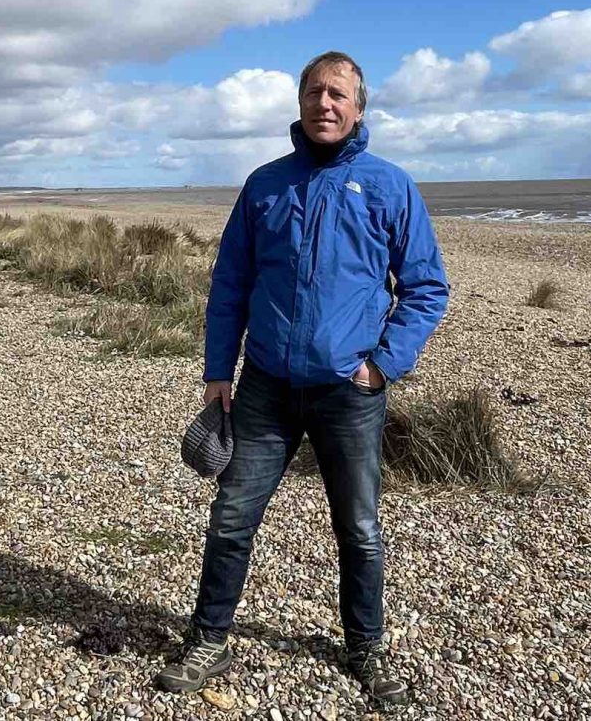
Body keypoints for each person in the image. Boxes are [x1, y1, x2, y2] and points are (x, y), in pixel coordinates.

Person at [157, 51, 449, 706]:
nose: (325, 103)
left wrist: (382, 367)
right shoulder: (265, 185)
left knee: (360, 530)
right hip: (264, 386)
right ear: (299, 102)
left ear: (359, 108)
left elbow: (427, 288)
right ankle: (209, 639)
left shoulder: (389, 185)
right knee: (231, 519)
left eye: (338, 94)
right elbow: (230, 284)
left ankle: (365, 648)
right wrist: (216, 373)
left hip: (349, 393)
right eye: (315, 91)